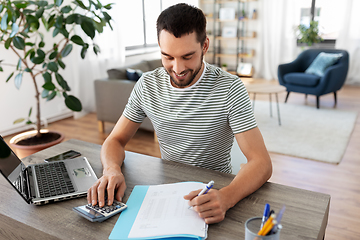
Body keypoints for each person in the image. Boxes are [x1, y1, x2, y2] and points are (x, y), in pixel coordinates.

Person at [88, 3, 272, 224]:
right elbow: (115, 140)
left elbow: (261, 162)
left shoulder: (230, 88)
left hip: (215, 190)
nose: (177, 68)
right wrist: (111, 170)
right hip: (167, 189)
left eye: (187, 56)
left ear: (205, 46)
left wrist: (227, 197)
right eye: (168, 57)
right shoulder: (147, 85)